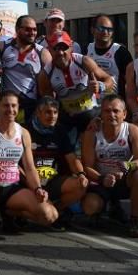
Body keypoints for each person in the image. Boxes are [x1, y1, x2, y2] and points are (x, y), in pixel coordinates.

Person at [0, 91, 58, 232]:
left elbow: (29, 167)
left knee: (49, 215)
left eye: (14, 106)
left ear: (18, 108)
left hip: (12, 187)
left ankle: (9, 212)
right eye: (6, 105)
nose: (10, 110)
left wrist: (38, 189)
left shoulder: (23, 133)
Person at [81, 95, 138, 238]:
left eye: (116, 111)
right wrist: (102, 178)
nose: (111, 115)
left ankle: (135, 220)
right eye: (107, 111)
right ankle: (104, 209)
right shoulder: (91, 133)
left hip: (124, 180)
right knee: (90, 207)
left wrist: (128, 166)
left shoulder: (132, 130)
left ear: (124, 114)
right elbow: (86, 167)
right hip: (101, 181)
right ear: (101, 113)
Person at [27, 97, 88, 229]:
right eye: (48, 112)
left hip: (52, 180)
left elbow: (72, 158)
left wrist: (81, 174)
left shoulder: (60, 130)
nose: (52, 116)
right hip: (30, 182)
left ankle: (57, 210)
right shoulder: (26, 131)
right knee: (46, 217)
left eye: (55, 112)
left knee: (80, 185)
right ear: (38, 113)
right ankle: (20, 214)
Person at [38, 30, 112, 137]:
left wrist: (101, 86)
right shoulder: (45, 74)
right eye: (56, 48)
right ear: (49, 49)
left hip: (92, 115)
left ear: (71, 47)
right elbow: (49, 103)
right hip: (68, 120)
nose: (60, 52)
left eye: (64, 48)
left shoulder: (84, 62)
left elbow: (109, 79)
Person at [1, 15, 51, 123]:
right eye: (27, 29)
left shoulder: (42, 53)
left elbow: (50, 84)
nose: (32, 33)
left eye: (34, 29)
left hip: (31, 107)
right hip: (8, 106)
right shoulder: (3, 47)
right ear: (17, 30)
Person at [86, 14, 131, 94]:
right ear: (92, 30)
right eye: (101, 28)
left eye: (109, 29)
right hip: (92, 103)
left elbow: (130, 83)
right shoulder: (86, 50)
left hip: (115, 102)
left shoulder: (121, 52)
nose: (105, 32)